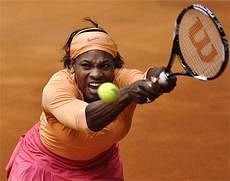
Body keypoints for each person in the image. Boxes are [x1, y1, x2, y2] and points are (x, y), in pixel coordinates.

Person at [6, 18, 176, 181]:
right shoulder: (56, 89)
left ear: (115, 67)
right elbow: (88, 120)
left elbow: (147, 77)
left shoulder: (121, 78)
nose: (96, 74)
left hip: (100, 168)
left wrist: (158, 78)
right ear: (72, 66)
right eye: (86, 66)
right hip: (43, 166)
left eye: (105, 66)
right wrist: (127, 94)